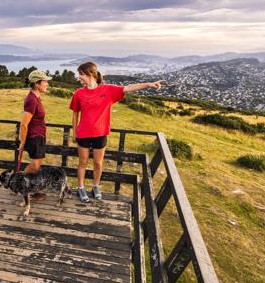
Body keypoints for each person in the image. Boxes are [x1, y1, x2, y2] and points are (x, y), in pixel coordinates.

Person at [69, 61, 162, 202]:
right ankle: (81, 188)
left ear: (90, 74)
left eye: (81, 74)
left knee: (98, 164)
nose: (79, 77)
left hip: (100, 133)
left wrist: (148, 84)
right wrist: (75, 133)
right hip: (83, 134)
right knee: (83, 162)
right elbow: (75, 113)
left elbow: (128, 88)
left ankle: (95, 186)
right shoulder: (79, 93)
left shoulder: (108, 90)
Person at [18, 70, 51, 200]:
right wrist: (22, 142)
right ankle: (21, 185)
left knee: (37, 166)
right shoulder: (31, 100)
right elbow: (24, 124)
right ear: (37, 83)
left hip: (39, 136)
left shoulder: (36, 97)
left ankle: (31, 190)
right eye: (45, 81)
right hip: (34, 137)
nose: (47, 84)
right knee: (34, 166)